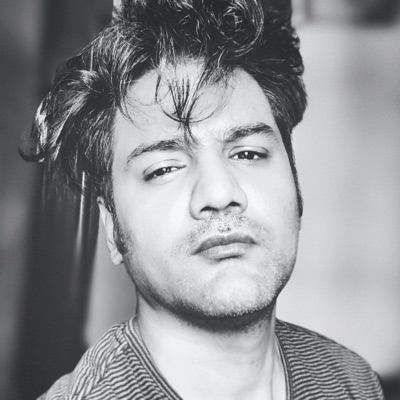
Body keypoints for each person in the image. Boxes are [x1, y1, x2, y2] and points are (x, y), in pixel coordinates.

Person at [23, 0, 384, 398]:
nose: (219, 193)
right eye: (164, 169)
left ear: (295, 183)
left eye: (249, 154)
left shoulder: (352, 379)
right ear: (112, 229)